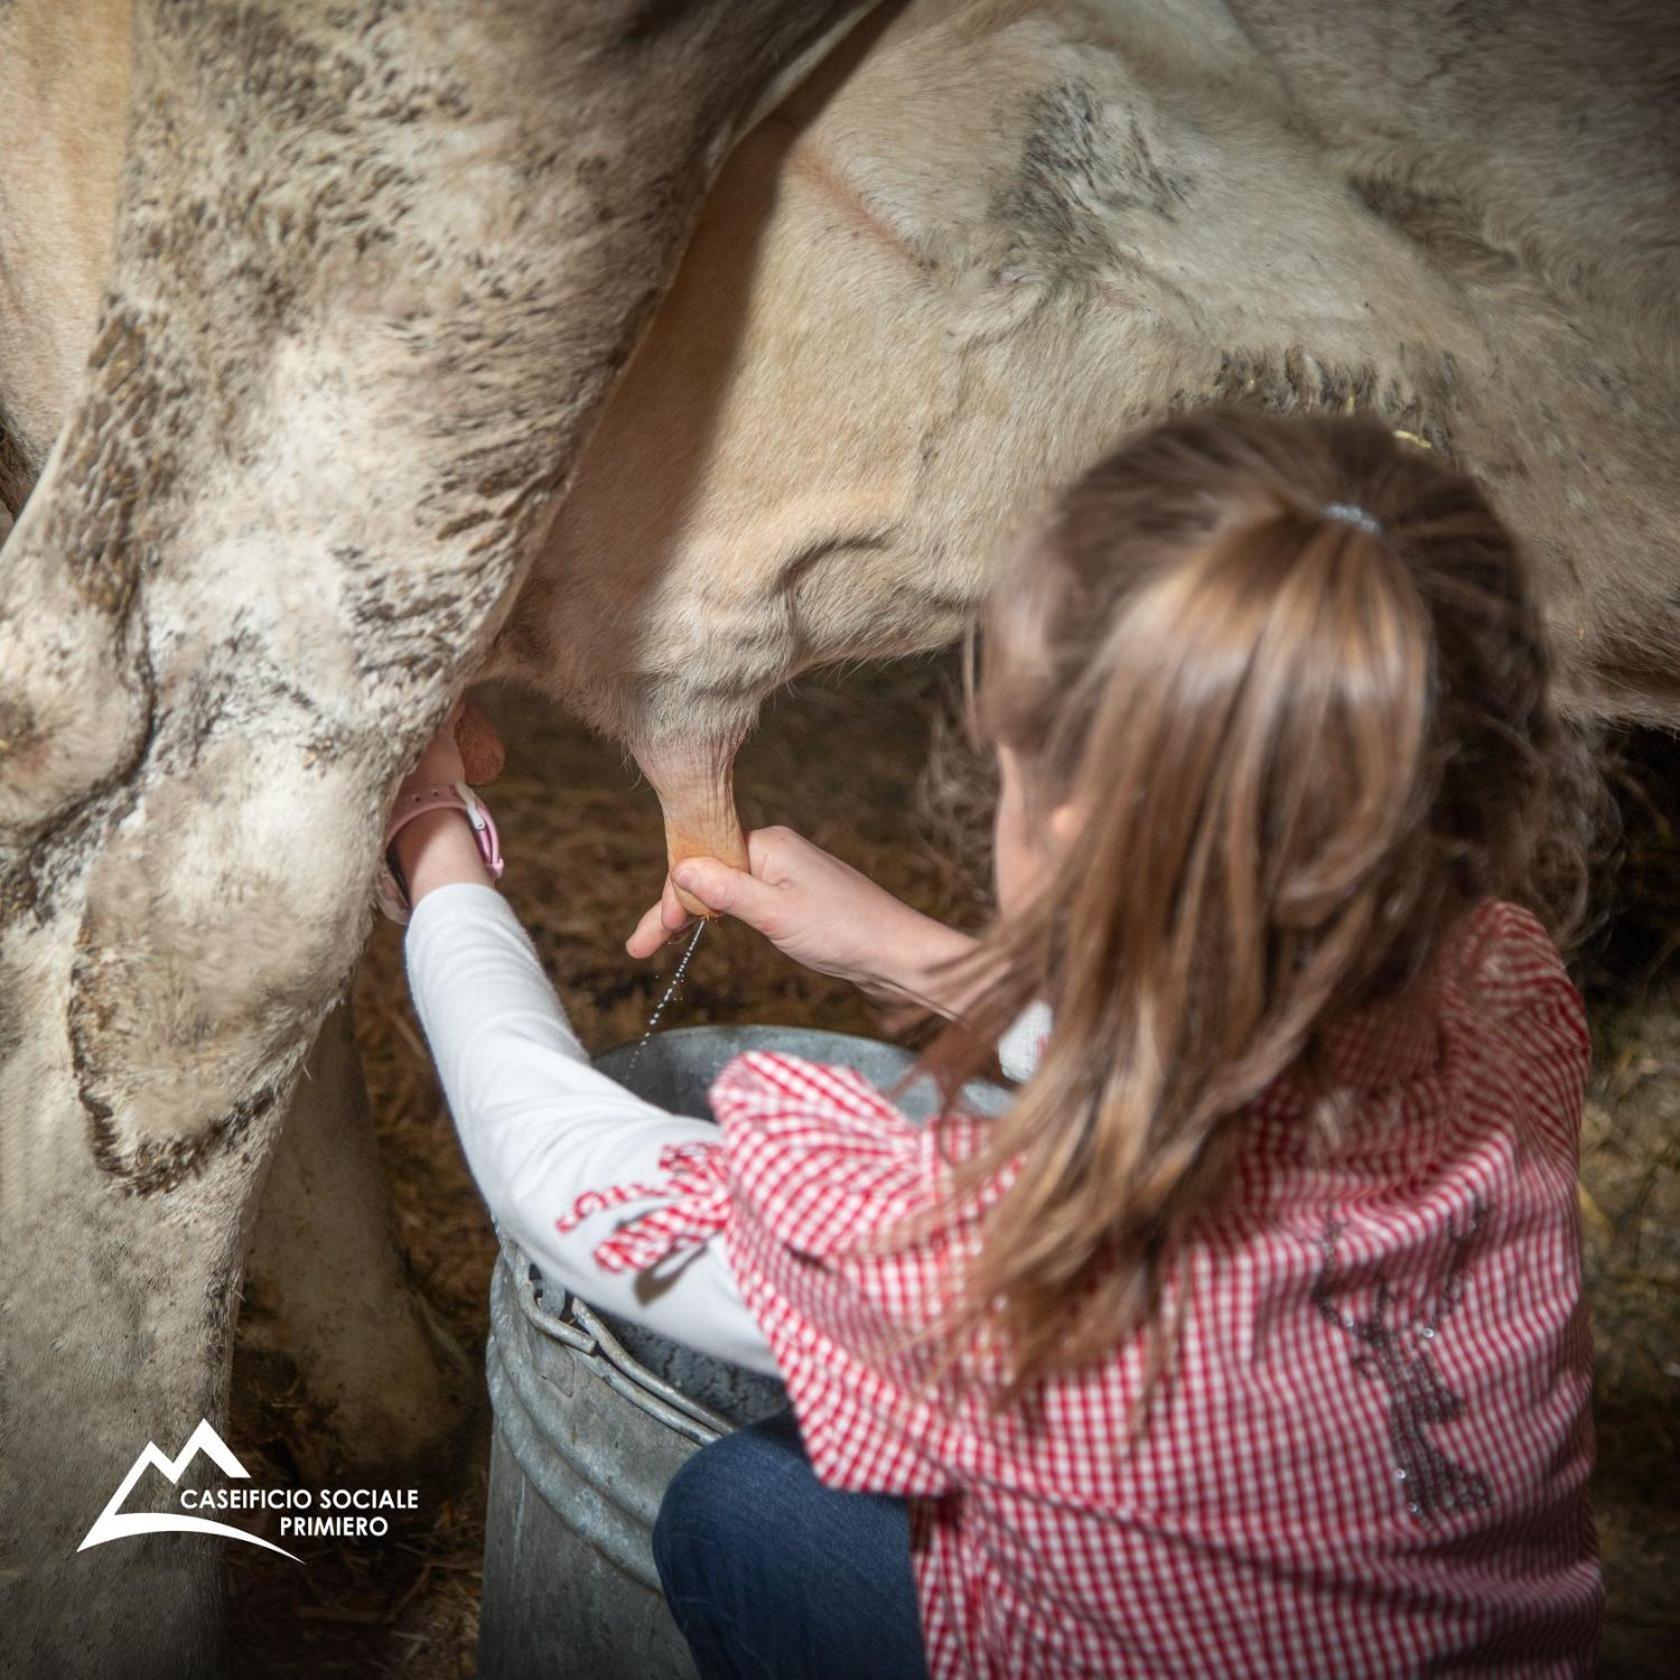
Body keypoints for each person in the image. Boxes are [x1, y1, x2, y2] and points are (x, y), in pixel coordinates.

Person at [386, 408, 1603, 1678]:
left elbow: (554, 1169)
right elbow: (1233, 1020)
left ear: (1068, 829)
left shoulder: (1017, 1265)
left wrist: (434, 832)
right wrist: (909, 955)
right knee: (762, 1507)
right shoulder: (1507, 988)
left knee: (724, 1514)